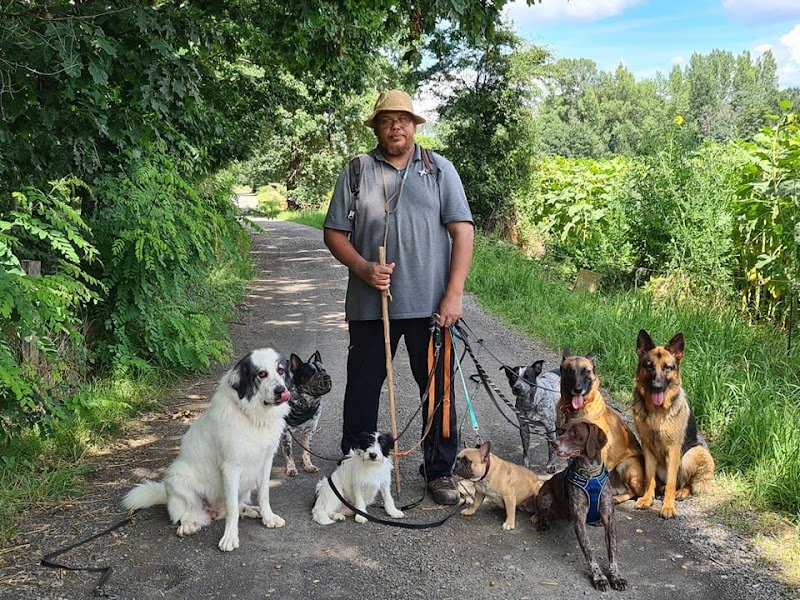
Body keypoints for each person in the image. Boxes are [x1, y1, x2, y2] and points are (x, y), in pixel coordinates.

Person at [323, 89, 474, 505]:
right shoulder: (356, 171)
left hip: (430, 308)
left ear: (414, 125)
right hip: (372, 306)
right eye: (387, 119)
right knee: (363, 387)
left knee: (437, 390)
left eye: (403, 119)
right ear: (376, 126)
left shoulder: (439, 170)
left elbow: (462, 231)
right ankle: (354, 464)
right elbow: (334, 233)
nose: (396, 126)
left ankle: (440, 470)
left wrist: (453, 295)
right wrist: (363, 268)